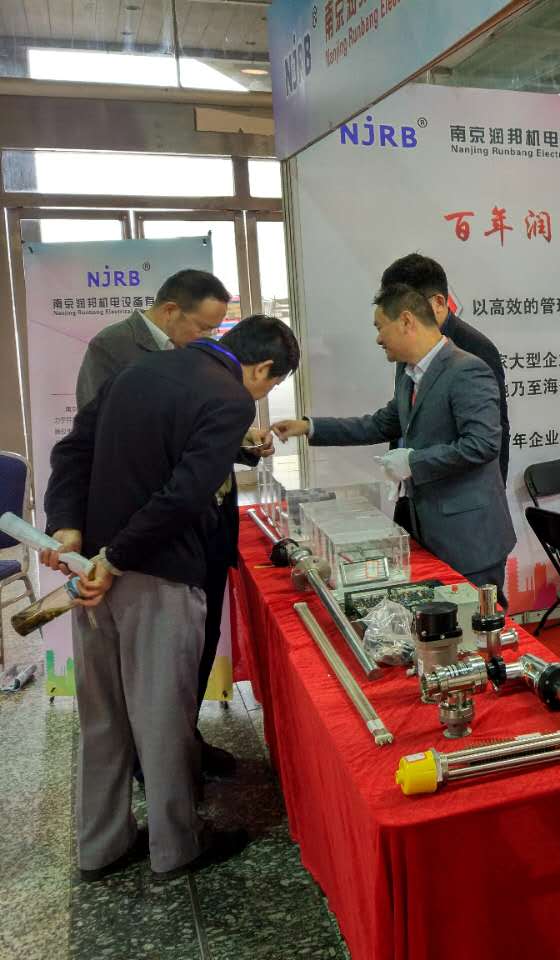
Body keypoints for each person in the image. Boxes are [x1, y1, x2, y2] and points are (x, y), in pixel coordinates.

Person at [42, 315, 299, 882]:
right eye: (270, 385)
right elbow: (184, 494)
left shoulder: (138, 371)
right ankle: (176, 846)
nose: (260, 397)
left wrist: (67, 528)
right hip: (154, 574)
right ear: (262, 369)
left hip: (90, 573)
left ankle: (101, 845)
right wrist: (118, 558)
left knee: (103, 715)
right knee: (163, 717)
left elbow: (73, 452)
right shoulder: (230, 398)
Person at [74, 268, 270, 781]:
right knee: (141, 684)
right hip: (141, 542)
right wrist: (105, 545)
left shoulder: (202, 372)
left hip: (195, 531)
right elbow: (104, 445)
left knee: (193, 652)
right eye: (203, 329)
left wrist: (239, 444)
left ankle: (183, 746)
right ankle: (160, 775)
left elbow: (189, 442)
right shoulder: (115, 351)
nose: (208, 342)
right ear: (169, 312)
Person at [272, 280, 516, 599]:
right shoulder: (408, 372)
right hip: (427, 529)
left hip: (470, 538)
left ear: (406, 321)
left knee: (480, 620)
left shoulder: (467, 370)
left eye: (380, 327)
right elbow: (381, 424)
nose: (378, 338)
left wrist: (413, 462)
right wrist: (309, 427)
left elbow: (482, 445)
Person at [380, 253, 511, 483]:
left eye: (403, 310)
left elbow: (491, 436)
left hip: (456, 491)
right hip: (412, 487)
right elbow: (400, 417)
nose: (400, 321)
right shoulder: (406, 344)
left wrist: (492, 494)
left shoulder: (475, 349)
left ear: (439, 303)